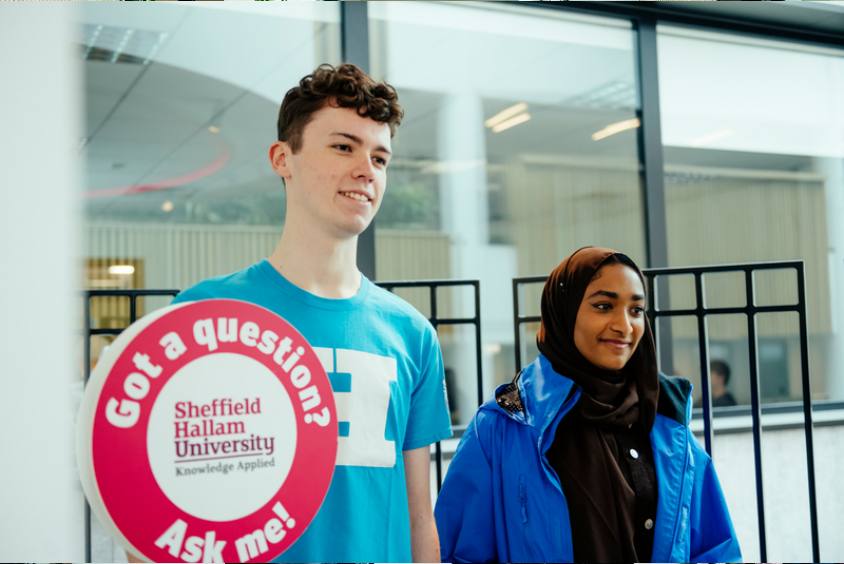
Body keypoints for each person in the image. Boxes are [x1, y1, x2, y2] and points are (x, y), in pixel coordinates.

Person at [172, 64, 452, 562]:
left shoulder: (411, 334)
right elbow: (156, 502)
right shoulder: (204, 317)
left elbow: (418, 515)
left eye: (380, 157)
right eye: (344, 147)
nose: (367, 169)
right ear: (283, 158)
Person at [434, 246, 741, 563]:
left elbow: (716, 550)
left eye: (636, 310)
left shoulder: (666, 421)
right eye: (604, 306)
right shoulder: (504, 427)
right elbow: (457, 555)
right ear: (564, 313)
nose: (624, 325)